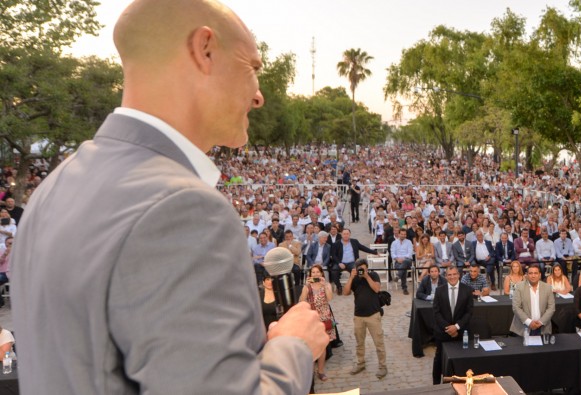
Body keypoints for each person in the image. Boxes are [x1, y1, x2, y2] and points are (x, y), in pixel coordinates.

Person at [9, 1, 328, 393]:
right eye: (253, 68)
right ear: (204, 49)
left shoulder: (55, 187)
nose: (259, 95)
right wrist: (293, 346)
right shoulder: (181, 208)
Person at [342, 259, 387, 379]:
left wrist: (367, 277)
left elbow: (377, 289)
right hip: (358, 316)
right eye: (359, 269)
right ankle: (360, 363)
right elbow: (345, 292)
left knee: (379, 343)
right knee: (359, 343)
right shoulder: (355, 279)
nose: (362, 271)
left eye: (363, 269)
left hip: (373, 315)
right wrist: (351, 278)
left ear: (367, 268)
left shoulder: (373, 275)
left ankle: (383, 367)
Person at [431, 266, 474, 384]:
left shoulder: (467, 290)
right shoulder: (439, 290)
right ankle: (436, 384)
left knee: (461, 359)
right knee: (439, 359)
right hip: (442, 333)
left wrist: (457, 327)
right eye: (449, 275)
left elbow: (469, 312)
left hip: (461, 333)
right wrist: (448, 328)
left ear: (459, 275)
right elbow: (436, 312)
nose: (452, 277)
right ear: (445, 276)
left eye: (454, 274)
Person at [299, 265, 335, 382]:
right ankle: (309, 371)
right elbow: (301, 301)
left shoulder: (327, 285)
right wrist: (305, 286)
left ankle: (320, 371)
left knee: (322, 346)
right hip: (311, 319)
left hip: (324, 319)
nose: (315, 274)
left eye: (317, 272)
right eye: (313, 272)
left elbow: (329, 298)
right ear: (310, 274)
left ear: (321, 273)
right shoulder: (307, 287)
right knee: (310, 346)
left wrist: (324, 285)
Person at [510, 265, 555, 336]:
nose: (533, 276)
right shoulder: (519, 287)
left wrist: (541, 322)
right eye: (530, 273)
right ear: (527, 275)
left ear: (540, 275)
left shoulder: (548, 287)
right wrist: (529, 322)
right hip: (523, 328)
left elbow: (551, 308)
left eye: (535, 273)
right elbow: (516, 307)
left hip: (543, 327)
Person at [330, 228, 376, 294]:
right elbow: (333, 255)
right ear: (341, 235)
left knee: (359, 271)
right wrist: (339, 263)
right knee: (334, 270)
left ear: (350, 234)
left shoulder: (354, 242)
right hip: (340, 263)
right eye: (344, 234)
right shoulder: (336, 243)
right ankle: (339, 286)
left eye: (347, 234)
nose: (346, 235)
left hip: (352, 262)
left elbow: (363, 248)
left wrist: (374, 252)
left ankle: (357, 286)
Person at [391, 229, 414, 295]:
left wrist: (403, 259)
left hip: (407, 260)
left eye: (404, 234)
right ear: (398, 234)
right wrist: (397, 259)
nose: (403, 235)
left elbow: (410, 253)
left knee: (405, 263)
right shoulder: (394, 243)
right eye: (402, 234)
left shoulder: (409, 242)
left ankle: (398, 276)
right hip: (397, 261)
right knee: (403, 269)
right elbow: (392, 253)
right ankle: (404, 288)